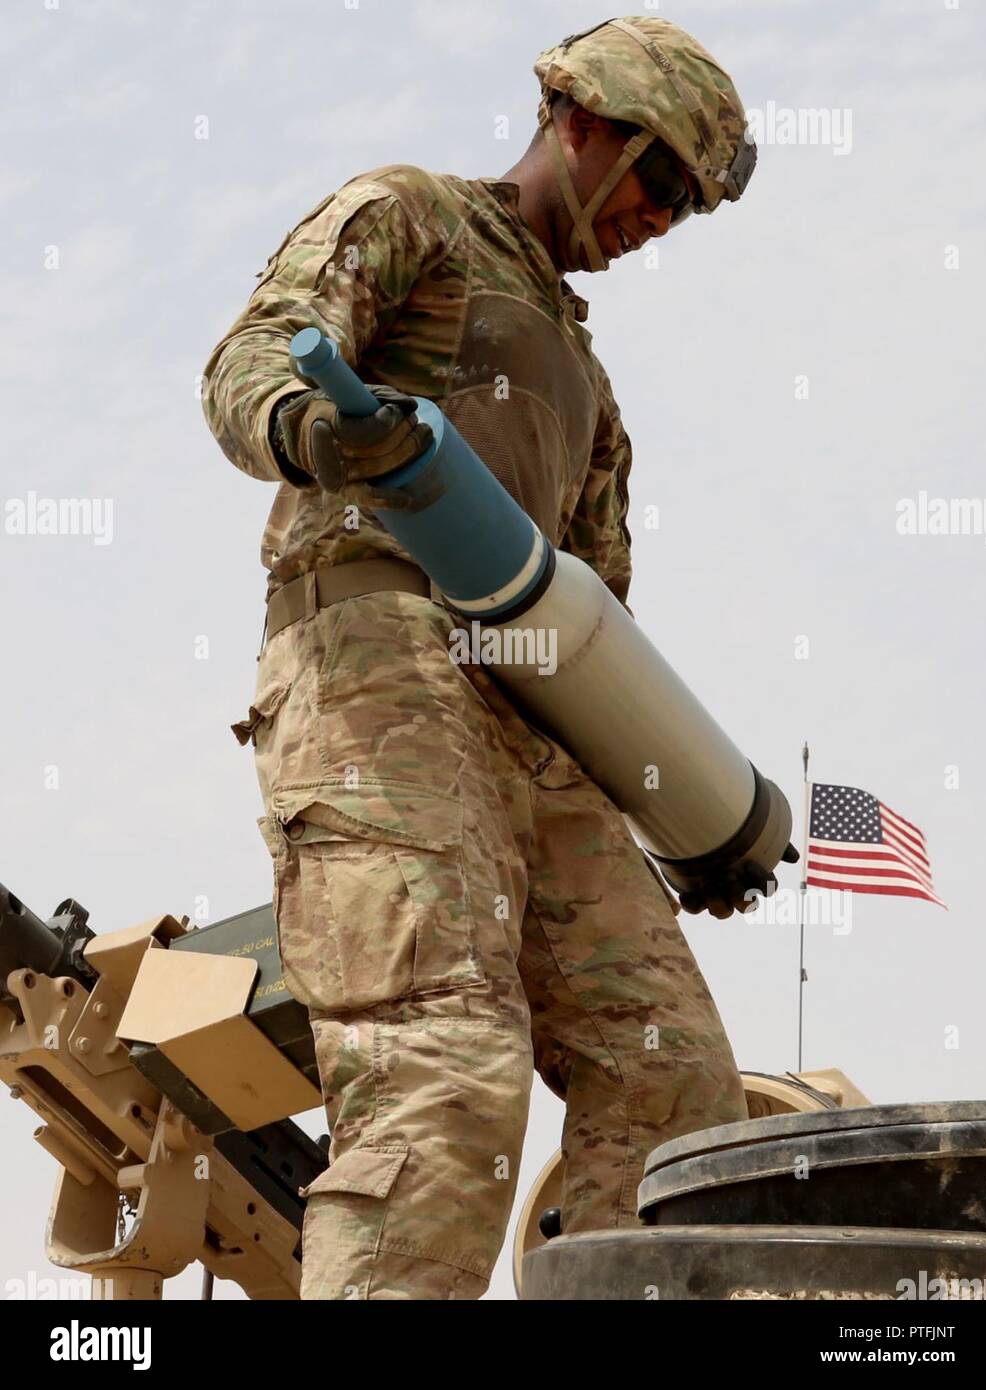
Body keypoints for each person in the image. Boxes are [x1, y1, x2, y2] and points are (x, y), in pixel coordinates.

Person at [203, 15, 758, 1300]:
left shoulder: (587, 387)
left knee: (676, 1082)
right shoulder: (415, 217)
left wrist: (684, 814)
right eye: (658, 178)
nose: (661, 220)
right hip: (381, 662)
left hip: (534, 714)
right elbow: (252, 356)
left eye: (686, 205)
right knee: (442, 1067)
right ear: (579, 123)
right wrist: (315, 429)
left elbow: (599, 606)